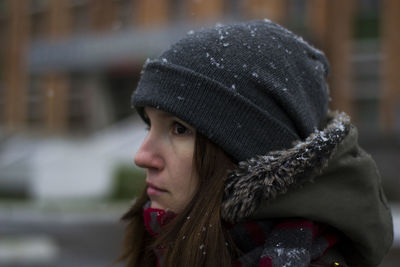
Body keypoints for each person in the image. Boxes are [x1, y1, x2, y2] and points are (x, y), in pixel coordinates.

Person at [119, 20, 393, 267]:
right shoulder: (163, 245)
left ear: (254, 152)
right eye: (149, 125)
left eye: (179, 129)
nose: (142, 156)